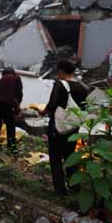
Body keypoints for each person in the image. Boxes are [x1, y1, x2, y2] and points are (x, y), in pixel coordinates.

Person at [39, 60, 89, 196]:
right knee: (71, 158)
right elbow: (85, 108)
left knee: (55, 159)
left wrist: (42, 111)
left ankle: (60, 190)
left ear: (61, 71)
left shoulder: (60, 84)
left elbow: (52, 106)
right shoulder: (83, 87)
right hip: (73, 128)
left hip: (57, 127)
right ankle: (74, 187)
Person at [0, 68, 23, 153]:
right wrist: (17, 108)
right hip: (7, 104)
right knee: (10, 125)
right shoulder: (16, 78)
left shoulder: (1, 80)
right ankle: (11, 147)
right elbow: (18, 94)